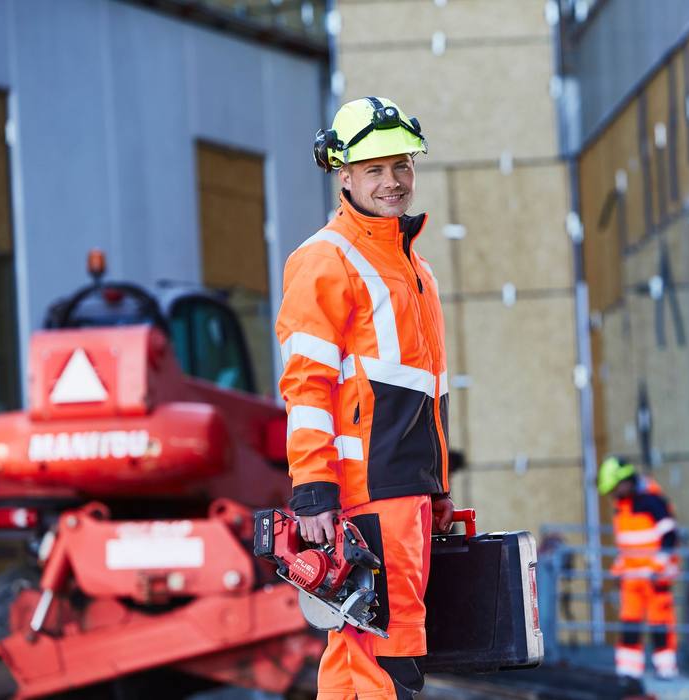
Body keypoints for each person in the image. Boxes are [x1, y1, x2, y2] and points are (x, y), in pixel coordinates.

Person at [275, 96, 455, 699]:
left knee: (356, 659)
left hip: (406, 489)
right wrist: (314, 491)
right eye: (374, 169)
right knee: (387, 655)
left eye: (401, 165)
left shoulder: (415, 268)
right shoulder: (324, 260)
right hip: (363, 495)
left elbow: (428, 392)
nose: (392, 181)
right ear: (343, 175)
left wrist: (440, 487)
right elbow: (306, 388)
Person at [598, 456, 680, 681]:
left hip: (655, 579)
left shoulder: (651, 502)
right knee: (630, 626)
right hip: (632, 579)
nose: (613, 494)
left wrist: (657, 567)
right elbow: (627, 546)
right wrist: (618, 570)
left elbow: (670, 536)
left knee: (660, 626)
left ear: (625, 482)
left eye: (615, 488)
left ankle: (666, 671)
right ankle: (628, 673)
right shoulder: (622, 508)